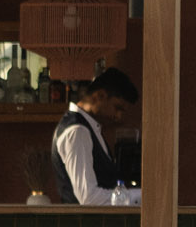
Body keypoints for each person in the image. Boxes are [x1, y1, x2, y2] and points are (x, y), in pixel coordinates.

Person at [52, 69, 142, 207]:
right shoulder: (78, 131)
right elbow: (89, 198)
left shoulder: (88, 128)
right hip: (84, 226)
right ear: (100, 95)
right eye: (117, 108)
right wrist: (143, 195)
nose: (118, 117)